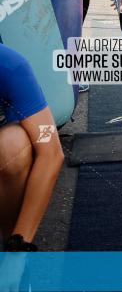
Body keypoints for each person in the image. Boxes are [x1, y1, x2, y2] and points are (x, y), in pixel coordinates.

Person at [0, 44, 64, 252]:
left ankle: (10, 244)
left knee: (13, 144)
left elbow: (51, 152)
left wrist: (18, 249)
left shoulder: (9, 65)